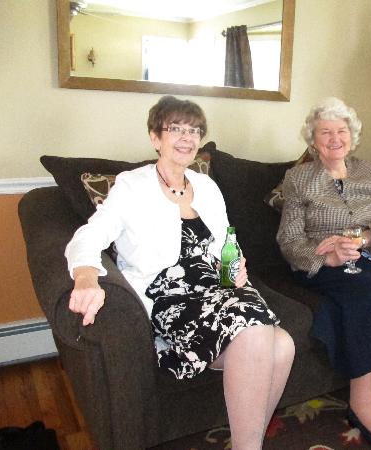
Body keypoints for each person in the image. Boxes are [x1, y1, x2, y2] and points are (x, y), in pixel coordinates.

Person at [66, 95, 295, 450]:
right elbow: (88, 236)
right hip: (169, 295)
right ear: (155, 138)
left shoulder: (206, 186)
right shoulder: (132, 186)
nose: (187, 137)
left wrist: (235, 265)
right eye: (176, 129)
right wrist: (86, 277)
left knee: (284, 346)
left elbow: (226, 241)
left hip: (218, 288)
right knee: (258, 337)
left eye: (195, 130)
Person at [277, 97, 371, 450]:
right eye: (325, 132)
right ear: (313, 140)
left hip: (368, 257)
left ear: (352, 135)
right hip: (322, 264)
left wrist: (367, 238)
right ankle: (361, 401)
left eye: (341, 130)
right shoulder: (298, 178)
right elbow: (289, 239)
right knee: (369, 297)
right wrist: (327, 257)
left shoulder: (369, 172)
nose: (335, 138)